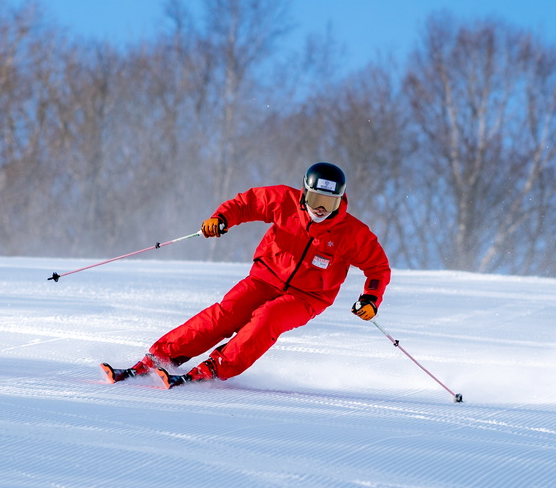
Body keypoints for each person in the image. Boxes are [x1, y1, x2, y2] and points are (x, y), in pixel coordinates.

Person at [101, 162, 390, 389]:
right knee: (225, 314)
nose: (320, 209)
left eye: (329, 202)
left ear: (341, 201)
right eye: (315, 198)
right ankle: (156, 359)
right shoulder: (283, 200)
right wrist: (222, 218)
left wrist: (371, 298)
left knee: (268, 318)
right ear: (303, 192)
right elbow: (246, 204)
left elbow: (377, 268)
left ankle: (215, 367)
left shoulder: (352, 233)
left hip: (307, 297)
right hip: (264, 278)